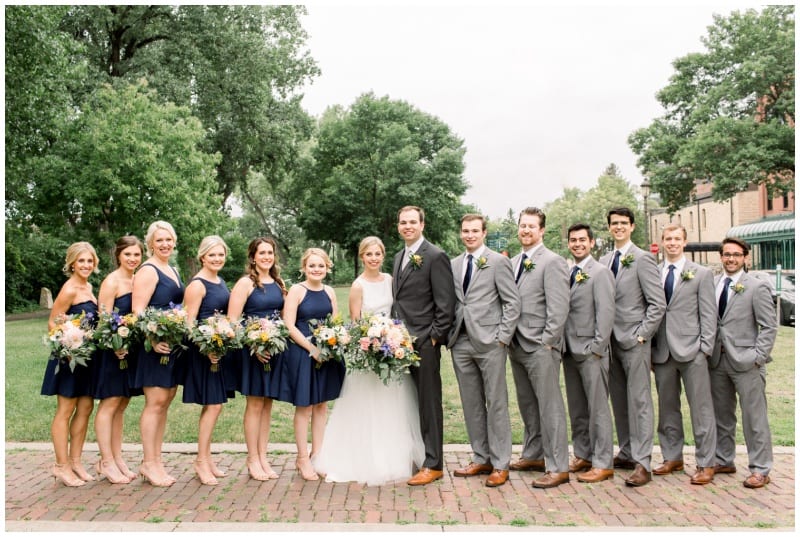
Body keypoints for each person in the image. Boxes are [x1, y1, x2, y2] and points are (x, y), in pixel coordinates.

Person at [313, 236, 425, 485]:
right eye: (369, 254)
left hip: (391, 347)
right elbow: (356, 323)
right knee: (367, 408)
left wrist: (392, 339)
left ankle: (394, 457)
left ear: (383, 256)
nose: (373, 258)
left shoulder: (390, 280)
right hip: (368, 352)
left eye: (377, 254)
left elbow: (397, 312)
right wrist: (371, 344)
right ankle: (365, 458)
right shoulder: (358, 285)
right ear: (362, 257)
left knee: (393, 406)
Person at [447, 215, 520, 487]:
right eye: (465, 231)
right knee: (471, 403)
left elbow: (512, 303)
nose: (469, 235)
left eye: (474, 231)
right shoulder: (453, 264)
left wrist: (502, 338)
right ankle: (481, 457)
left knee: (496, 402)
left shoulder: (499, 262)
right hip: (461, 341)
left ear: (484, 233)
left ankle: (501, 463)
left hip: (491, 342)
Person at [599, 207, 666, 487]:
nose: (618, 227)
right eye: (614, 223)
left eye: (623, 223)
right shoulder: (604, 260)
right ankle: (626, 451)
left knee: (639, 402)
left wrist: (642, 335)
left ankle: (643, 462)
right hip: (609, 342)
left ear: (632, 226)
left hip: (634, 341)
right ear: (609, 227)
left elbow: (657, 303)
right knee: (619, 399)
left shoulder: (643, 260)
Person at [391, 206, 456, 486]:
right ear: (398, 226)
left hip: (424, 343)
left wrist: (433, 338)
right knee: (408, 403)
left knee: (429, 403)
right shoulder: (398, 257)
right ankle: (417, 455)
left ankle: (434, 463)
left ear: (422, 224)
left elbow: (446, 304)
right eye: (403, 222)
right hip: (398, 343)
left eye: (412, 222)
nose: (407, 226)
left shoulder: (436, 256)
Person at [507, 207, 571, 489]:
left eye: (531, 226)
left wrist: (547, 341)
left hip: (541, 346)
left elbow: (559, 308)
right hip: (517, 344)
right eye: (522, 226)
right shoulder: (514, 262)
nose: (526, 230)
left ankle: (558, 466)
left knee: (549, 406)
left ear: (542, 230)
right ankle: (533, 454)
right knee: (528, 404)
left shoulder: (553, 262)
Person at [651, 224, 718, 485]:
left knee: (701, 409)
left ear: (685, 242)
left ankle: (706, 463)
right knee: (667, 408)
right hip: (663, 352)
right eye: (668, 239)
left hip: (692, 351)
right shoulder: (654, 273)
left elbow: (709, 315)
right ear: (663, 242)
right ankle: (672, 457)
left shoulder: (700, 274)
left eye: (677, 239)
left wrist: (704, 349)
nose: (672, 243)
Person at [709, 237, 777, 489]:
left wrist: (757, 356)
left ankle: (760, 468)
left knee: (754, 417)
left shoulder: (756, 287)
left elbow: (769, 326)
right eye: (726, 254)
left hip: (747, 362)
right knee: (722, 415)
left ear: (745, 257)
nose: (731, 259)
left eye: (736, 255)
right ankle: (724, 459)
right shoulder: (713, 283)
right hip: (717, 361)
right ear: (721, 256)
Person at [272, 248, 346, 481]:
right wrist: (311, 348)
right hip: (303, 353)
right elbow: (289, 324)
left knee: (322, 405)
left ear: (327, 268)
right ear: (304, 268)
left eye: (321, 266)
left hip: (326, 354)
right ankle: (302, 458)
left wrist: (334, 342)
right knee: (304, 406)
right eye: (312, 266)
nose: (317, 270)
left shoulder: (330, 291)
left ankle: (318, 456)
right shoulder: (297, 290)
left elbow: (335, 322)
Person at [41, 242, 100, 487]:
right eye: (81, 261)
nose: (86, 265)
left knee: (85, 408)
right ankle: (60, 466)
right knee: (65, 411)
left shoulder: (89, 286)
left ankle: (75, 461)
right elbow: (52, 324)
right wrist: (70, 343)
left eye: (89, 261)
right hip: (69, 358)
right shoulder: (70, 289)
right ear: (72, 263)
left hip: (87, 358)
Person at [228, 237, 286, 481]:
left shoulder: (279, 283)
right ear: (252, 257)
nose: (266, 257)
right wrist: (254, 342)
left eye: (270, 252)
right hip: (253, 352)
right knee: (254, 404)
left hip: (273, 351)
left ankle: (263, 456)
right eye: (261, 253)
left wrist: (276, 340)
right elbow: (232, 321)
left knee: (267, 404)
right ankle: (252, 458)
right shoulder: (245, 283)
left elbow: (283, 318)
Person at [131, 220, 185, 487]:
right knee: (154, 403)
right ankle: (148, 462)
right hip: (155, 347)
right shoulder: (148, 271)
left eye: (169, 239)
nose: (165, 244)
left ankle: (156, 460)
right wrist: (152, 339)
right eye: (159, 240)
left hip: (173, 345)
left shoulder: (172, 269)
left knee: (165, 401)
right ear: (150, 243)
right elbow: (138, 310)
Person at [562, 223, 615, 483]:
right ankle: (583, 454)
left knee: (598, 409)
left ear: (592, 243)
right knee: (577, 408)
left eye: (583, 240)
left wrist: (597, 347)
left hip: (591, 351)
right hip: (569, 350)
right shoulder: (567, 270)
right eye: (573, 240)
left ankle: (603, 461)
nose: (578, 244)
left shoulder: (600, 272)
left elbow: (605, 313)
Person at [182, 235, 234, 485]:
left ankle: (207, 458)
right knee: (212, 405)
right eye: (212, 255)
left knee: (215, 405)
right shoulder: (198, 285)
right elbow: (188, 322)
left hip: (218, 349)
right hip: (203, 353)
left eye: (220, 255)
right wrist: (205, 348)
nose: (217, 259)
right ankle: (200, 461)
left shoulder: (220, 281)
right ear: (202, 256)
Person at [93, 235, 144, 484]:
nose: (133, 259)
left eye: (137, 255)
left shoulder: (137, 279)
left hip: (130, 350)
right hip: (112, 350)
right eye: (128, 255)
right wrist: (114, 345)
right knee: (109, 403)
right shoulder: (111, 282)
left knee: (122, 404)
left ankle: (117, 456)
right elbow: (103, 321)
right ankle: (105, 461)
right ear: (118, 255)